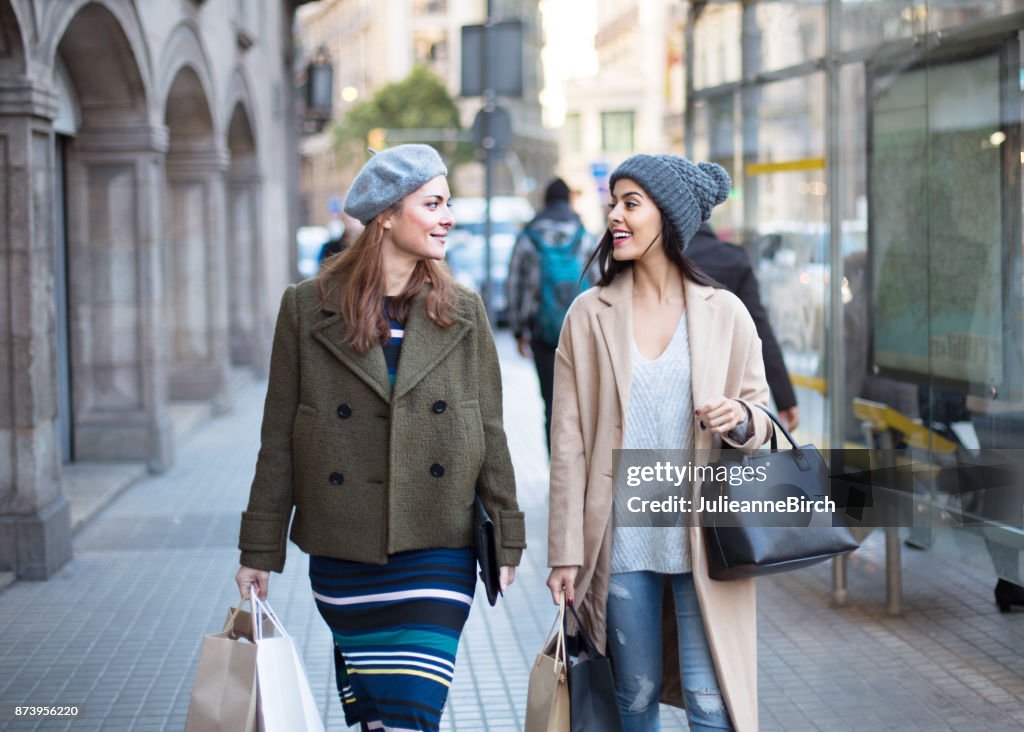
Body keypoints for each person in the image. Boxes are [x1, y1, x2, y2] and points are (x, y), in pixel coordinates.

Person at [235, 144, 526, 732]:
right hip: (346, 548)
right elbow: (279, 439)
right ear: (387, 215)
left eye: (449, 204)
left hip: (439, 544)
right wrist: (259, 550)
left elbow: (489, 429)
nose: (448, 216)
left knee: (412, 712)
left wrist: (508, 535)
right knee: (378, 717)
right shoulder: (305, 308)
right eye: (434, 203)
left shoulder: (463, 310)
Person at [546, 154, 773, 732]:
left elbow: (763, 415)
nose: (615, 216)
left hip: (705, 542)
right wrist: (564, 551)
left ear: (667, 217)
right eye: (613, 203)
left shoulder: (725, 313)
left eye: (631, 203)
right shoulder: (587, 315)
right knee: (634, 699)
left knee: (710, 702)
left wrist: (740, 417)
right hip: (622, 545)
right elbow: (567, 443)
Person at [506, 177, 592, 453]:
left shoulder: (529, 235)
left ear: (544, 201)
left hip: (544, 333)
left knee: (552, 402)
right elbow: (601, 279)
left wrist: (520, 330)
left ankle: (557, 469)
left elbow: (515, 283)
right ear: (568, 200)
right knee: (583, 402)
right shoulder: (583, 234)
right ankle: (581, 468)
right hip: (581, 331)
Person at [687, 223, 800, 430]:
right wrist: (786, 398)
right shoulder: (731, 259)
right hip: (721, 397)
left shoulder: (655, 259)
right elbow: (760, 329)